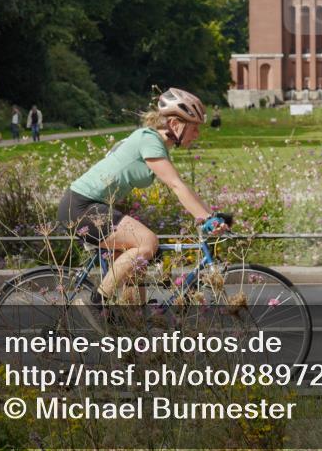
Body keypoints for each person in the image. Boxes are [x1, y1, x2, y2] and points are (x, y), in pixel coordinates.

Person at [58, 88, 231, 322]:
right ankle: (96, 303)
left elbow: (183, 187)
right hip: (81, 206)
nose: (197, 134)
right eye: (194, 126)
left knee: (136, 270)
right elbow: (176, 185)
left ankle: (134, 329)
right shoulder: (148, 139)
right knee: (147, 242)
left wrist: (211, 215)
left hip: (93, 206)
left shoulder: (154, 143)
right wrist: (207, 219)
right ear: (175, 124)